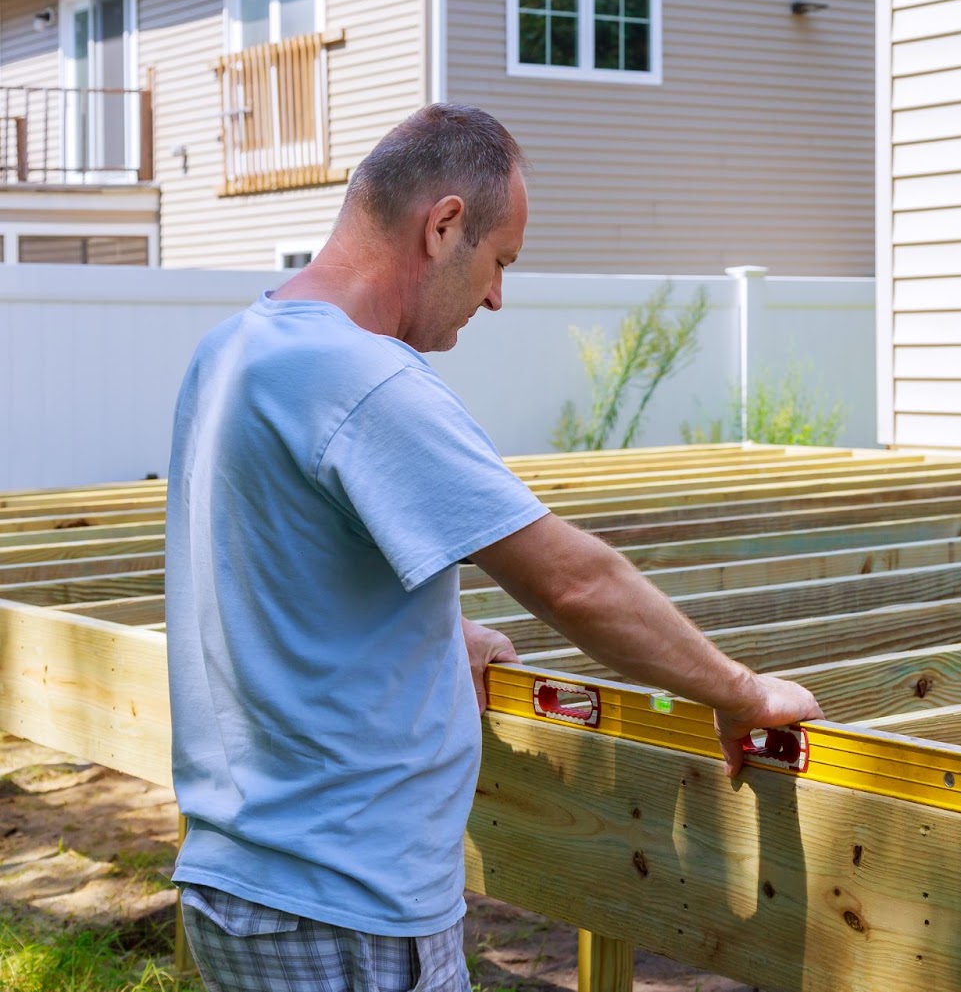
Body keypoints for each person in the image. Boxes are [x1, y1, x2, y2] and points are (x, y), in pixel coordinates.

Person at [164, 103, 823, 992]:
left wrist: (435, 632)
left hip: (245, 884)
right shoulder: (364, 377)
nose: (498, 296)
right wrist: (740, 689)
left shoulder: (236, 348)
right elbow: (575, 583)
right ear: (443, 226)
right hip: (341, 905)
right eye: (499, 261)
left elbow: (272, 568)